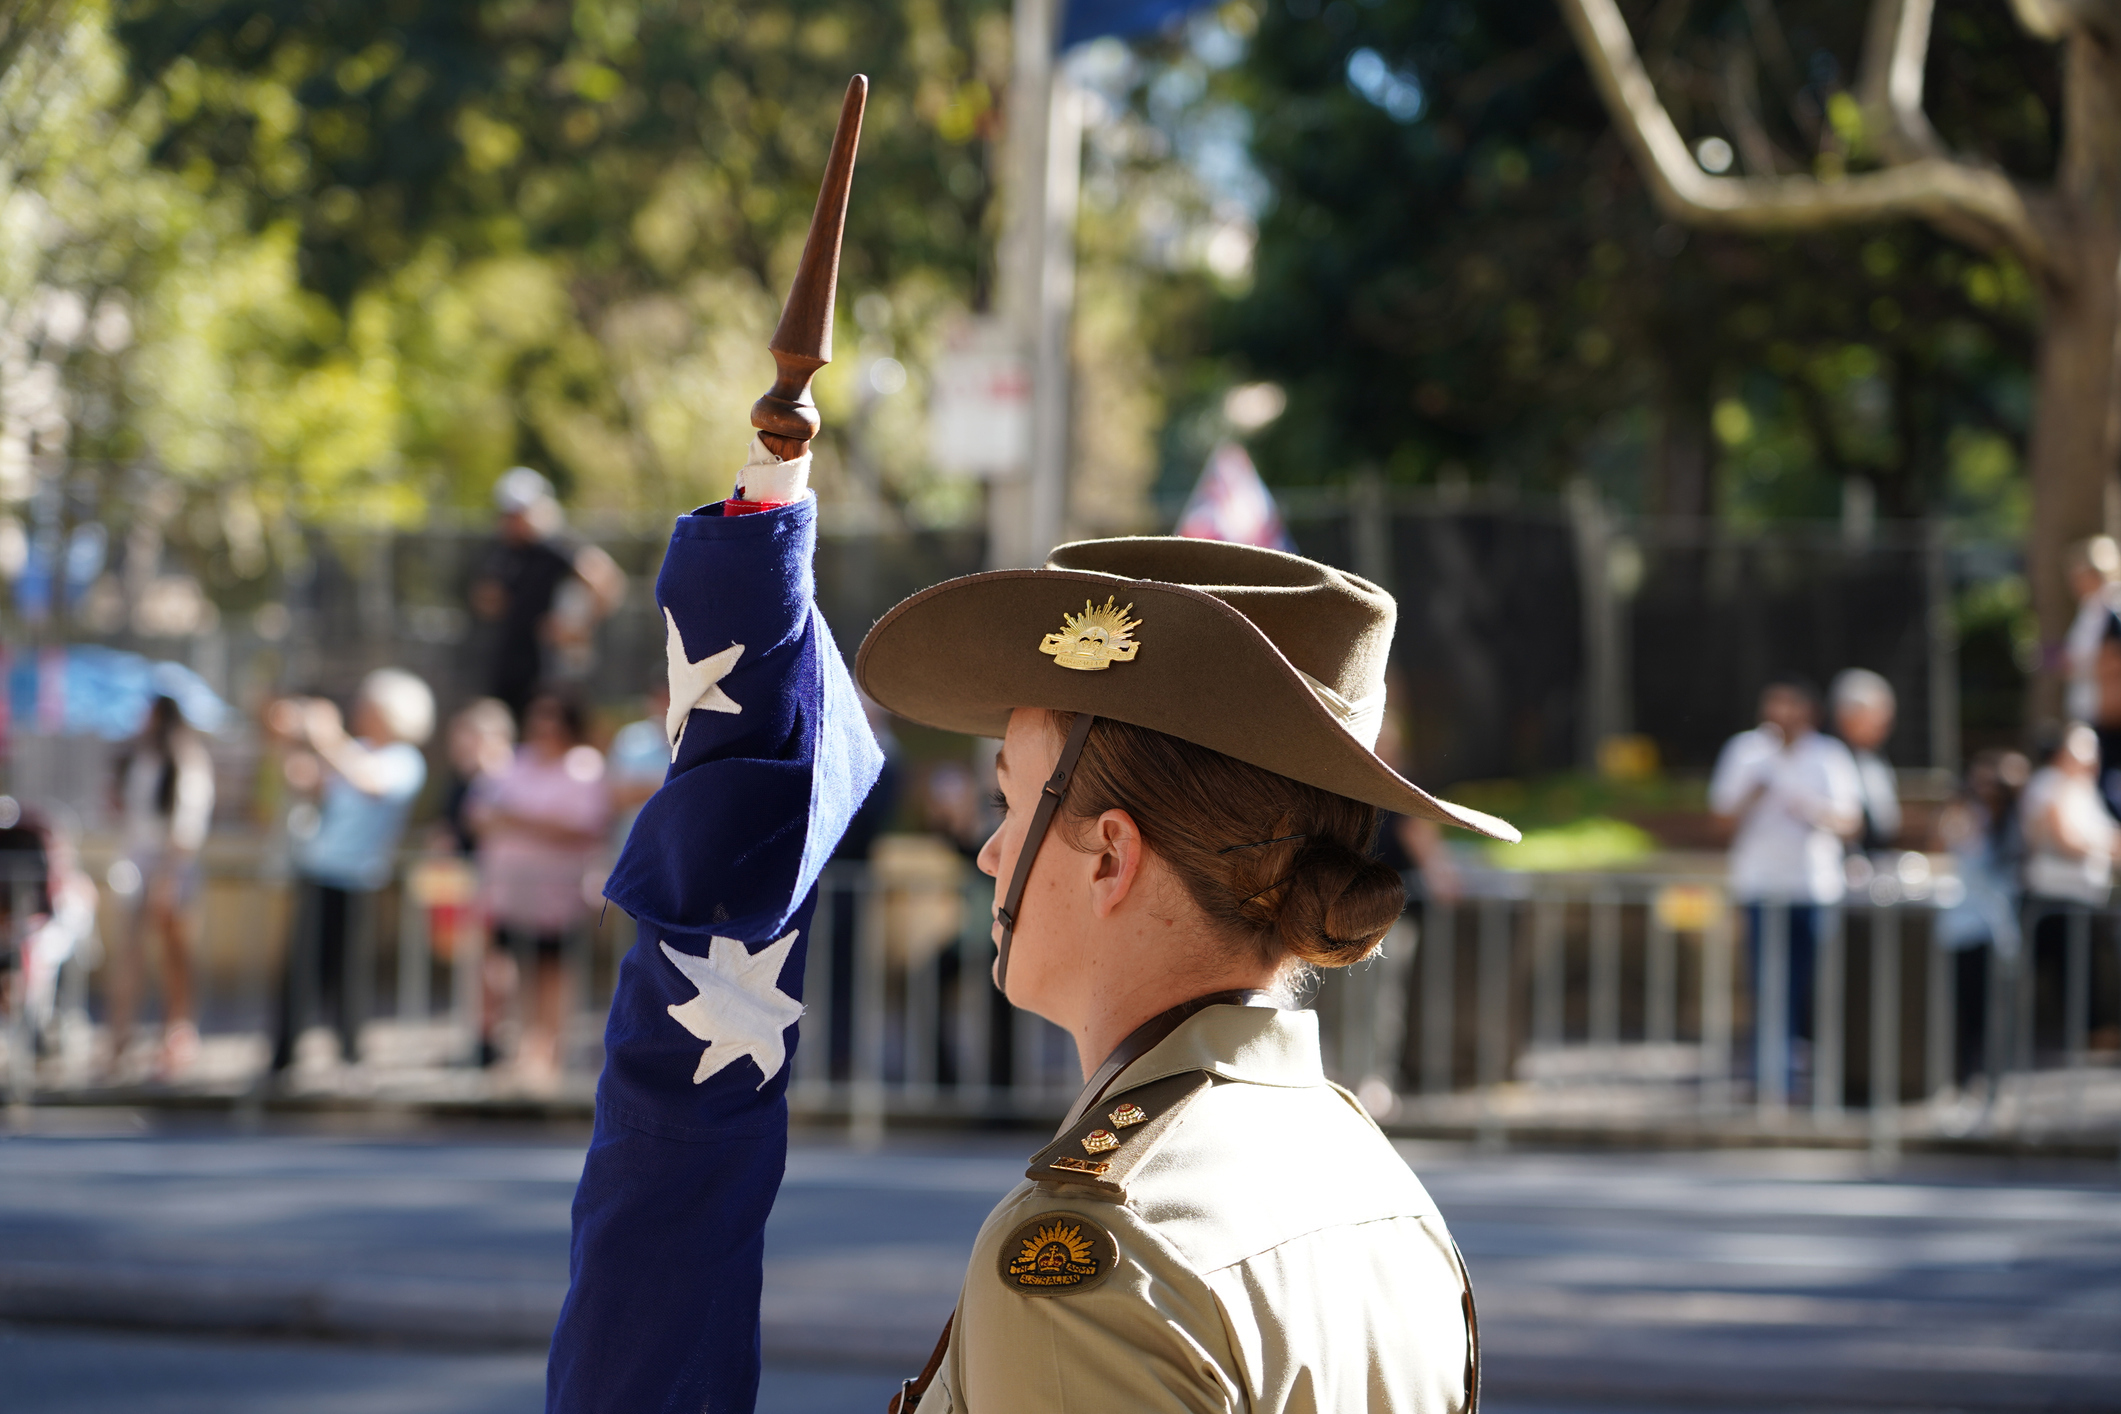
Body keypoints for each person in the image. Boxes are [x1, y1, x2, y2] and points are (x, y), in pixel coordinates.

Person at [266, 669, 434, 1079]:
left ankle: (350, 1052)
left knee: (348, 970)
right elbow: (310, 783)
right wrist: (290, 739)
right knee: (301, 967)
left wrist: (326, 735)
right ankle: (284, 1054)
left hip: (356, 877)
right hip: (318, 868)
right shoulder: (356, 748)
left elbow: (368, 782)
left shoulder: (403, 760)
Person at [1708, 678, 1861, 1100]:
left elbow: (1851, 821)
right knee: (1768, 985)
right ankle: (1772, 1079)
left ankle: (1816, 1078)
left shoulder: (1829, 756)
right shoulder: (1746, 752)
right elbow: (1720, 820)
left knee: (1815, 987)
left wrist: (1813, 810)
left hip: (1814, 888)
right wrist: (1753, 795)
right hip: (1761, 886)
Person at [468, 687, 611, 1085]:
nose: (543, 727)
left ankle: (545, 1056)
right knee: (502, 967)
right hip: (507, 890)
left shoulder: (584, 766)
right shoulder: (515, 761)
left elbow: (581, 827)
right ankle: (504, 1049)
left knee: (551, 973)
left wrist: (516, 820)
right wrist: (532, 823)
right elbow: (479, 813)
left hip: (556, 894)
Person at [105, 695, 215, 1077]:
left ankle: (177, 1035)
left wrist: (169, 877)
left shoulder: (185, 758)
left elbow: (187, 824)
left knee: (174, 956)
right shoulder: (141, 756)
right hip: (137, 864)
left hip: (171, 868)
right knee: (129, 954)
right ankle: (121, 1036)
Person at [468, 468, 624, 724]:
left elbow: (606, 581)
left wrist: (577, 627)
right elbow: (486, 601)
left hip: (548, 667)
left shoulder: (556, 546)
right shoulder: (503, 552)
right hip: (510, 661)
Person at [1935, 749, 2028, 1091]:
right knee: (1966, 1006)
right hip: (1964, 927)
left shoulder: (2011, 824)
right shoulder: (1964, 817)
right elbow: (1950, 842)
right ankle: (1966, 1074)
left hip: (1997, 928)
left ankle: (1993, 1074)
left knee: (1995, 1007)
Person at [1831, 668, 1901, 855]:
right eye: (1877, 715)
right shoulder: (1828, 756)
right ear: (1847, 716)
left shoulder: (1875, 757)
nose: (1885, 725)